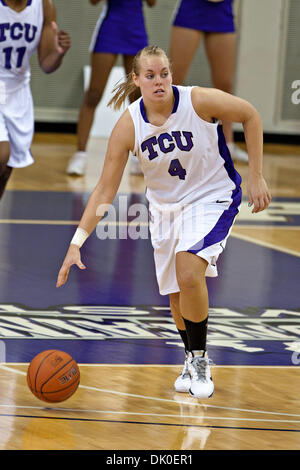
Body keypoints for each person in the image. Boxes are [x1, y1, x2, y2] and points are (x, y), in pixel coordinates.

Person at [56, 45, 271, 399]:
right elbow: (105, 190)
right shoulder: (129, 125)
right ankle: (190, 356)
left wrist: (257, 175)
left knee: (189, 272)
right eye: (151, 76)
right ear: (136, 79)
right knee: (175, 296)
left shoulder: (197, 101)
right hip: (165, 209)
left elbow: (250, 115)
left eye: (165, 74)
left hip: (212, 196)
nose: (160, 82)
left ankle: (201, 360)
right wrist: (76, 242)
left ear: (172, 74)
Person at [66, 0, 156, 177]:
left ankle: (140, 156)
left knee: (137, 96)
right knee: (94, 93)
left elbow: (152, 3)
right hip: (110, 28)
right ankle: (80, 154)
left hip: (136, 29)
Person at [0, 0, 71, 200]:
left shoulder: (45, 6)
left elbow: (46, 64)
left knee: (7, 167)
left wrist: (58, 53)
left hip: (18, 91)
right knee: (1, 154)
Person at [169, 0, 248, 162]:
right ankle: (164, 141)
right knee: (173, 81)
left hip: (222, 11)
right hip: (191, 10)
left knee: (224, 83)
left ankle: (227, 144)